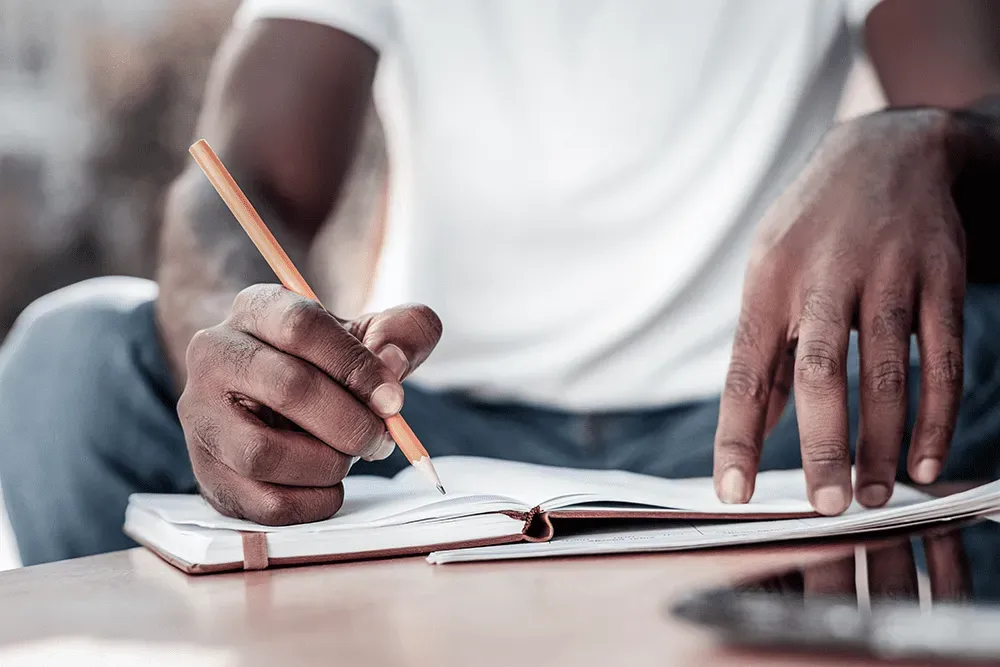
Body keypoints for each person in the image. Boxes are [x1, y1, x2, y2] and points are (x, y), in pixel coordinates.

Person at [3, 0, 1000, 566]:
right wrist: (245, 349)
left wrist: (929, 137)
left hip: (774, 419)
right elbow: (233, 184)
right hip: (422, 441)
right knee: (70, 362)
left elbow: (972, 104)